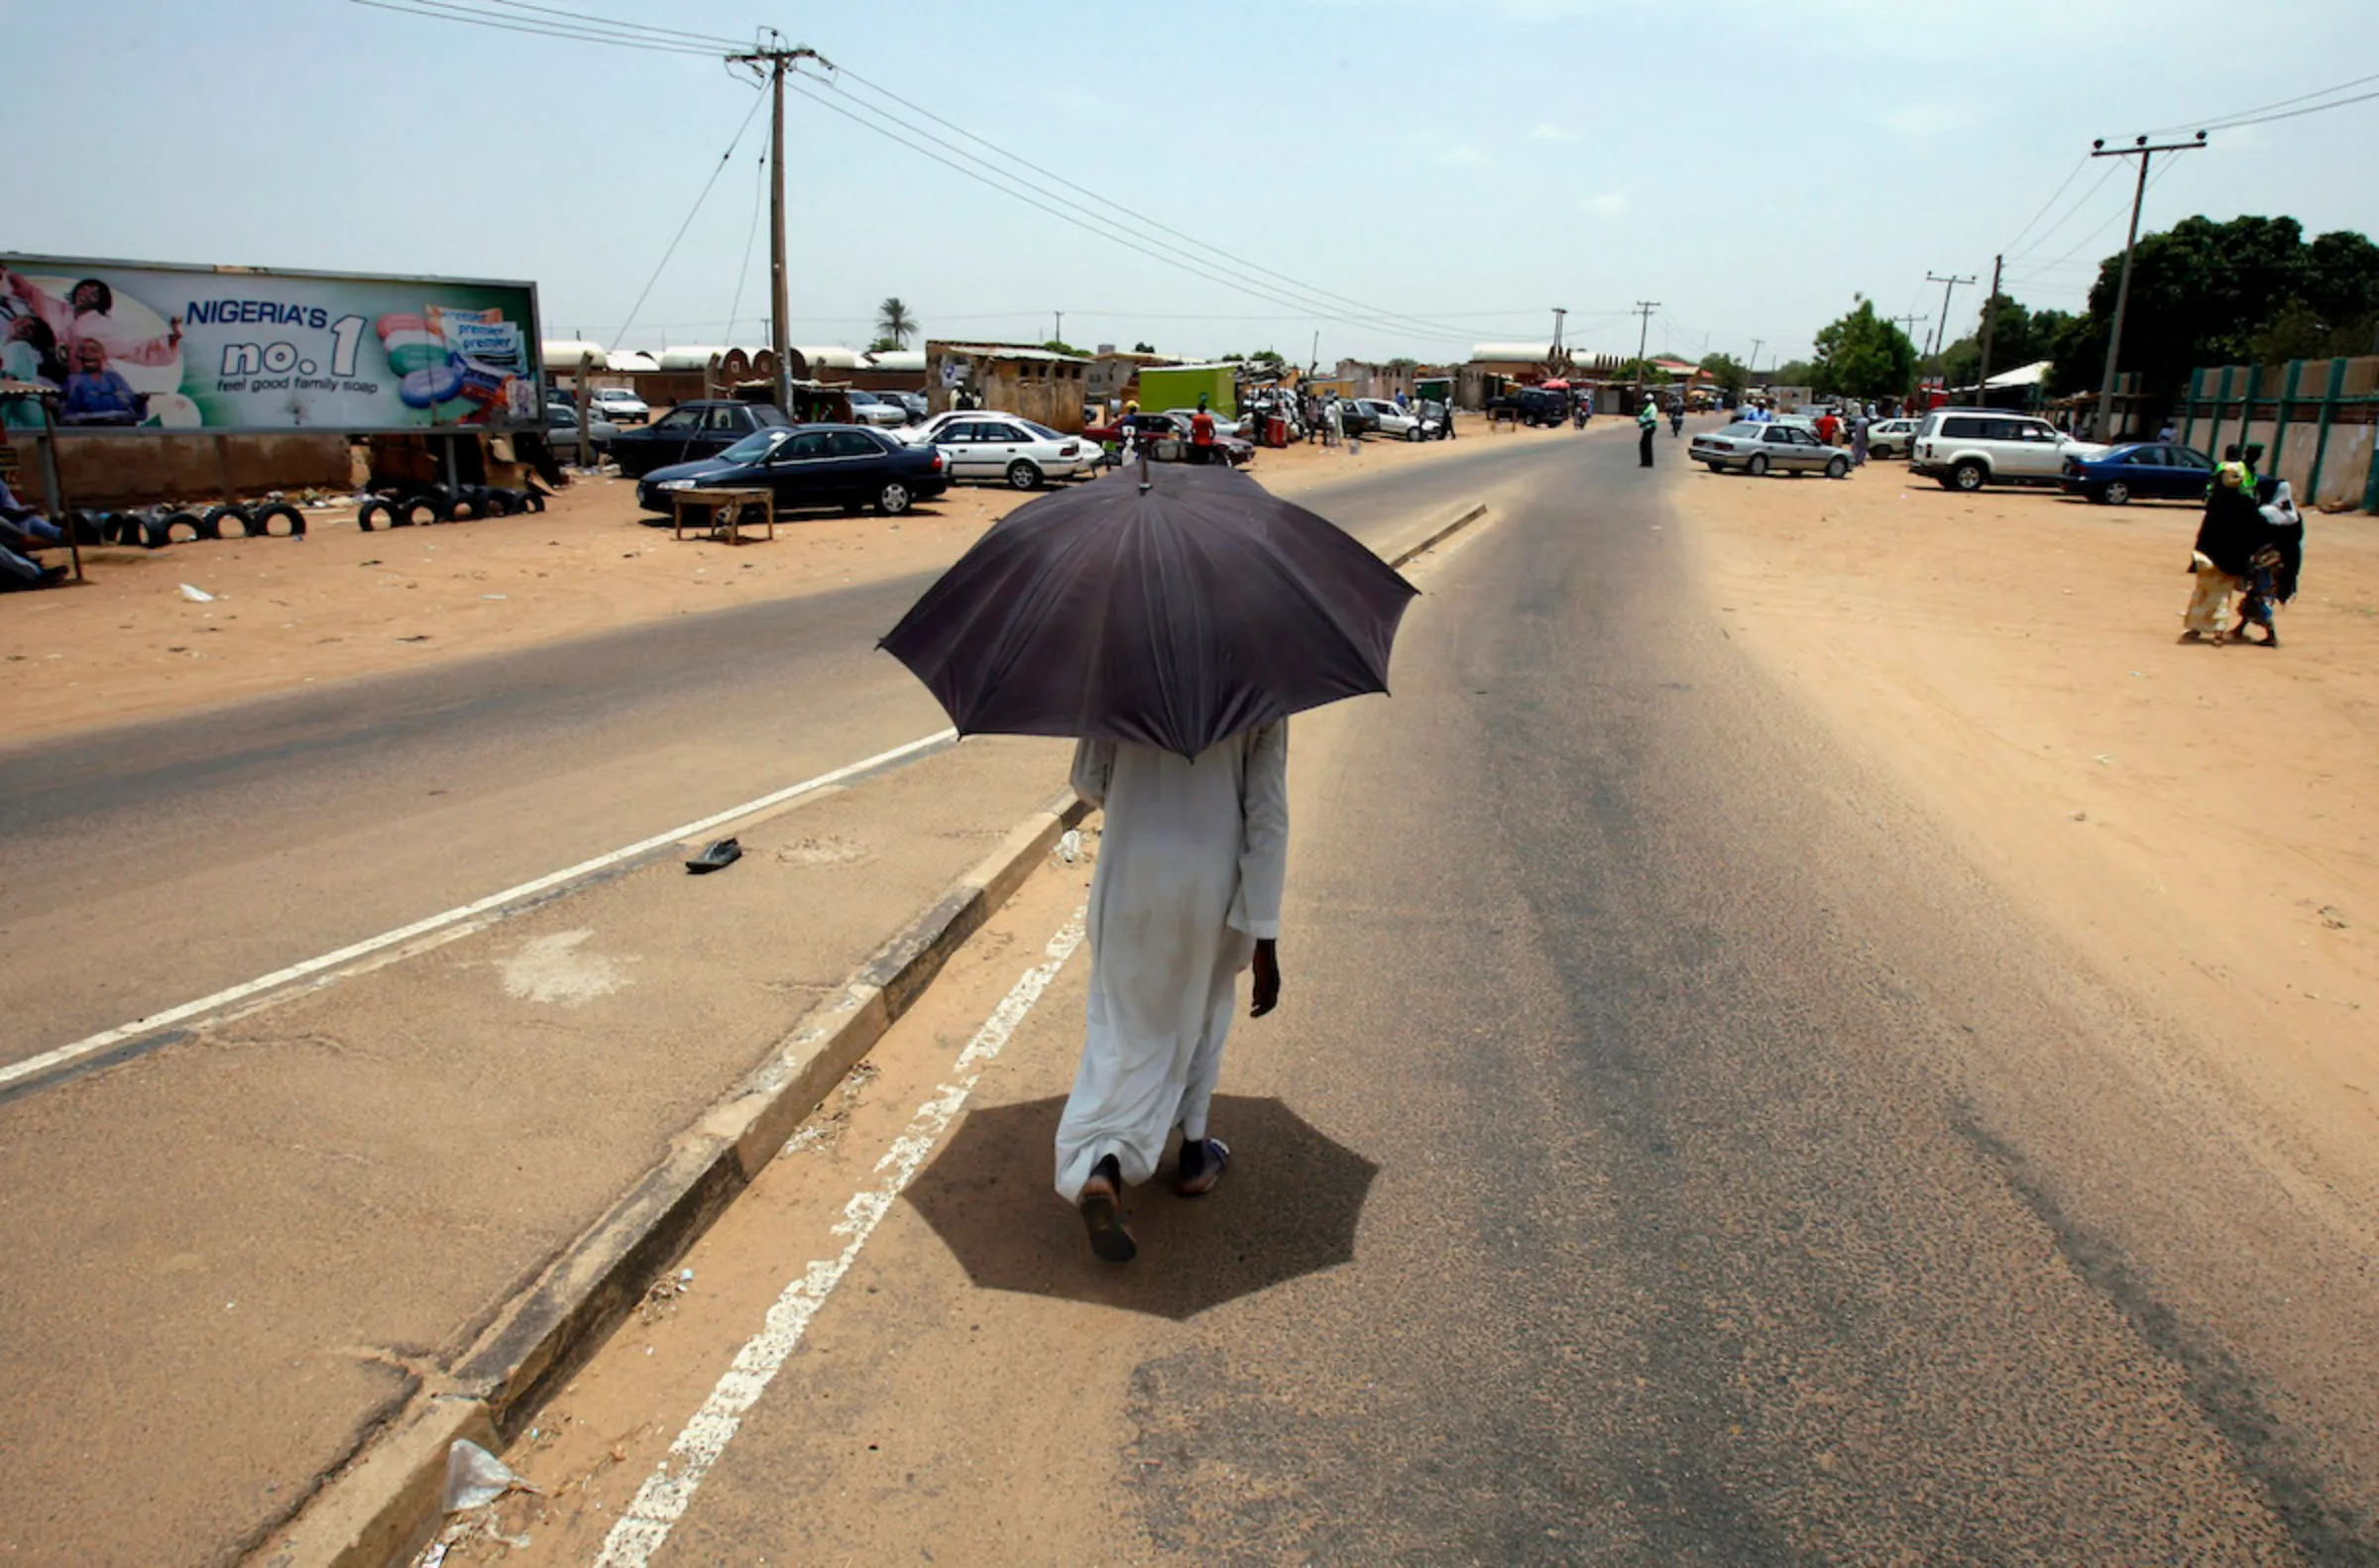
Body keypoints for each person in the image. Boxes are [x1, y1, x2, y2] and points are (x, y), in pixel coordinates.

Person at [1059, 722, 1288, 1262]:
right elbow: (1268, 816)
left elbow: (1088, 781)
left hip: (1129, 875)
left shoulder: (1119, 660)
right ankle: (1192, 1154)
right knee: (1201, 1016)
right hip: (1208, 885)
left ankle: (1102, 1167)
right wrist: (1267, 937)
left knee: (1121, 1030)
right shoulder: (1261, 681)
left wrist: (1145, 792)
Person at [1, 271, 182, 370]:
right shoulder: (59, 309)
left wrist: (172, 339)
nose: (86, 294)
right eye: (84, 289)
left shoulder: (107, 327)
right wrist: (6, 273)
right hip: (43, 365)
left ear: (100, 301)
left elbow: (136, 348)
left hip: (82, 376)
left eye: (93, 294)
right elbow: (32, 294)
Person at [2182, 462, 2262, 643]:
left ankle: (2195, 629)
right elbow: (2251, 534)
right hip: (2232, 559)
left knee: (2202, 593)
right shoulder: (2247, 504)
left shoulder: (2216, 501)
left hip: (2209, 557)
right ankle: (2218, 630)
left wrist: (2197, 555)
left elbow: (2205, 531)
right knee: (2222, 596)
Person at [2234, 478, 2305, 648]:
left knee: (2260, 595)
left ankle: (2271, 634)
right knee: (2257, 594)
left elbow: (2254, 538)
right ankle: (2240, 627)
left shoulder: (2265, 513)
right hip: (2284, 562)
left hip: (2265, 561)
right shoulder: (2294, 516)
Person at [60, 338, 145, 426]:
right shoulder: (73, 380)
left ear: (103, 356)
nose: (88, 353)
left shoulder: (114, 378)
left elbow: (131, 405)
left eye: (94, 350)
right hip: (86, 428)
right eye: (83, 350)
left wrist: (140, 400)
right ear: (78, 356)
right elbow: (66, 410)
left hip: (118, 426)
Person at [1190, 395, 1216, 465]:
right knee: (1205, 459)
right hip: (1207, 441)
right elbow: (1213, 430)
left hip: (1197, 441)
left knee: (1197, 459)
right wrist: (1211, 438)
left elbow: (1192, 430)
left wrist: (1193, 437)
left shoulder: (1195, 418)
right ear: (1204, 409)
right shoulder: (1209, 418)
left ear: (1198, 409)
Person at [1637, 392, 1657, 467]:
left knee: (1646, 444)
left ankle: (1647, 462)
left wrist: (1643, 423)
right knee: (1645, 444)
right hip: (1647, 427)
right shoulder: (1649, 406)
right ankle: (1646, 462)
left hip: (1650, 426)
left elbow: (1652, 419)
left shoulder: (1652, 407)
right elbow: (1646, 416)